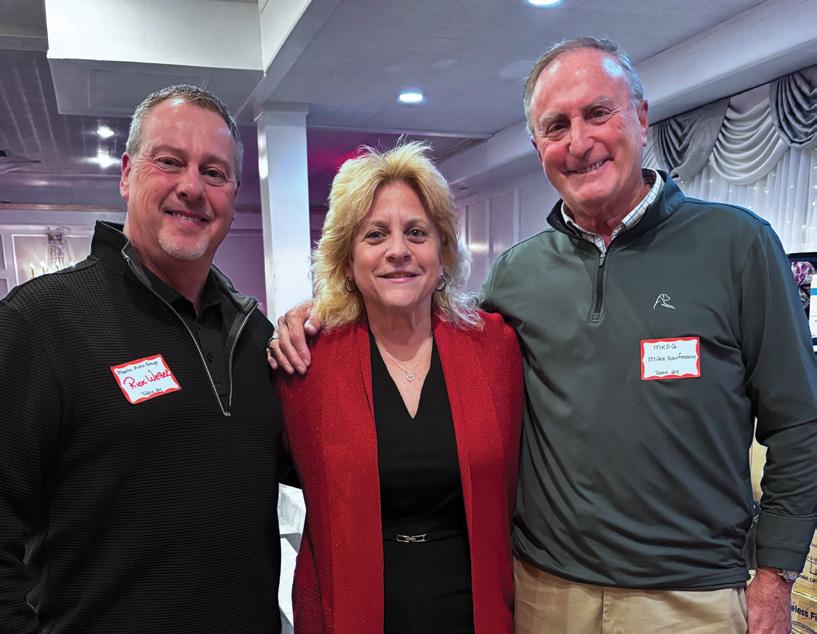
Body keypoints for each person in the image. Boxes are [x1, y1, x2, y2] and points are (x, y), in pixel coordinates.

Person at [269, 38, 817, 633]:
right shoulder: (517, 278)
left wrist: (776, 575)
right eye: (556, 126)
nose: (578, 142)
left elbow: (799, 422)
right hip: (545, 594)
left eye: (598, 113)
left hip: (689, 598)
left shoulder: (737, 247)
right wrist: (317, 314)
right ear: (537, 147)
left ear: (641, 117)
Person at [0, 85, 288, 633]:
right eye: (170, 162)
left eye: (214, 172)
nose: (192, 188)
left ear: (234, 193)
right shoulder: (40, 322)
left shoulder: (254, 337)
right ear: (128, 174)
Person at [273, 142, 523, 633]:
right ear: (346, 261)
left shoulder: (496, 349)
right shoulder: (305, 363)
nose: (398, 251)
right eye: (375, 235)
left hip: (475, 613)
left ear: (442, 252)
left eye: (416, 232)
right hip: (349, 614)